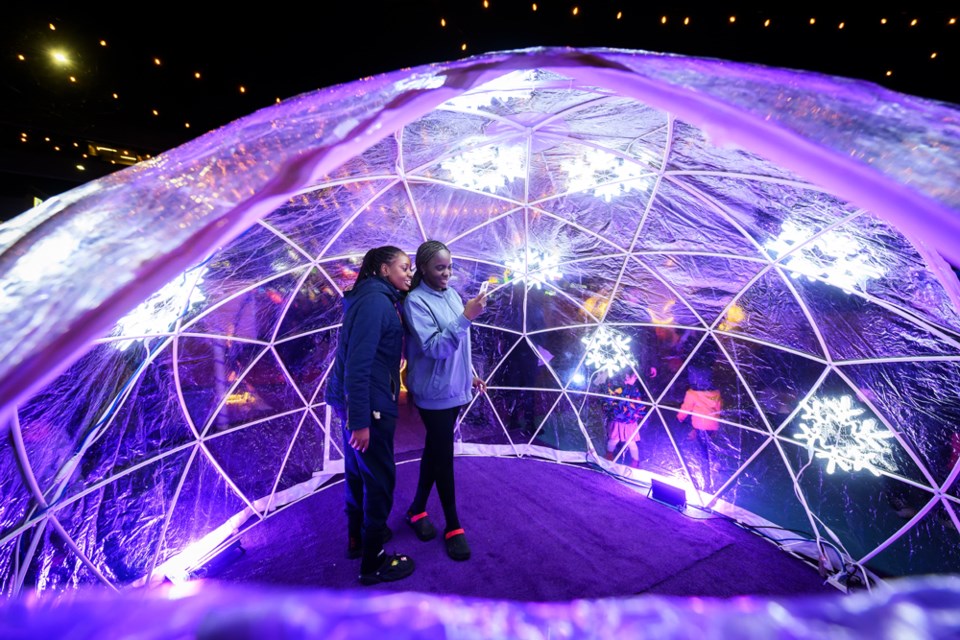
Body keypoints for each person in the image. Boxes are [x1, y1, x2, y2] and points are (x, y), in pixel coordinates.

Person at [324, 245, 415, 585]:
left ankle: (357, 539)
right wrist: (360, 421)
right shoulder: (377, 303)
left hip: (358, 400)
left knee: (358, 473)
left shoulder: (372, 298)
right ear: (381, 269)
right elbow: (358, 365)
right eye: (404, 267)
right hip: (369, 404)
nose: (409, 273)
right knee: (379, 479)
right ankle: (373, 562)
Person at [402, 240, 487, 561]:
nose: (447, 273)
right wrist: (466, 316)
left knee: (435, 452)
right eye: (440, 268)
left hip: (455, 388)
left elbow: (458, 345)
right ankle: (453, 525)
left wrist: (471, 374)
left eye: (449, 267)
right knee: (443, 456)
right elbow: (436, 347)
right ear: (422, 268)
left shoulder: (451, 295)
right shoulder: (415, 302)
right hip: (434, 393)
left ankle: (416, 510)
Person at [603, 369, 647, 467]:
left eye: (635, 377)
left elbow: (638, 403)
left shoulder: (634, 389)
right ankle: (609, 455)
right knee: (614, 440)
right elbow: (609, 401)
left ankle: (635, 462)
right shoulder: (616, 388)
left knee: (631, 442)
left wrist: (638, 413)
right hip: (618, 419)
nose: (635, 379)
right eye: (633, 377)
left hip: (629, 421)